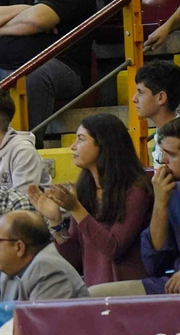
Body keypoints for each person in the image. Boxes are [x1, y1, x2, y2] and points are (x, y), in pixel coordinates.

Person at [30, 113, 153, 286]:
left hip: (131, 295)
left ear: (103, 144)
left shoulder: (136, 190)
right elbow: (73, 260)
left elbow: (113, 247)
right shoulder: (84, 190)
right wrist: (55, 221)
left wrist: (76, 209)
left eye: (81, 139)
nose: (73, 147)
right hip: (95, 295)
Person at [0, 209, 92, 300]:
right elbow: (7, 316)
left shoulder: (46, 270)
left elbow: (42, 319)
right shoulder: (8, 274)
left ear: (19, 247)